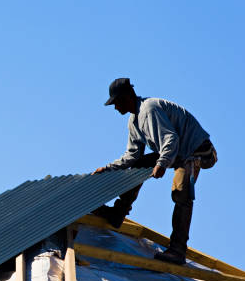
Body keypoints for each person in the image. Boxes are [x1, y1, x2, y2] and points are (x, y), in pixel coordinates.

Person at [92, 78, 217, 265]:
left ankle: (177, 251)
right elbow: (132, 155)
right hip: (177, 151)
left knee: (181, 192)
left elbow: (170, 139)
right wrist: (109, 168)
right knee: (138, 165)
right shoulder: (134, 121)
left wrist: (162, 163)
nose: (116, 108)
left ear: (127, 97)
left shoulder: (148, 110)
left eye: (116, 102)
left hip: (197, 150)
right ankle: (118, 213)